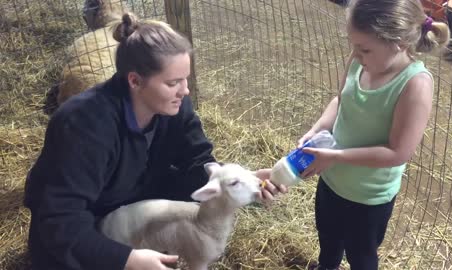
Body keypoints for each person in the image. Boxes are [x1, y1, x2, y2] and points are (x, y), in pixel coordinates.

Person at [24, 13, 286, 270]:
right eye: (173, 82)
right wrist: (126, 259)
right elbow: (60, 220)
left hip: (132, 201)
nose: (185, 91)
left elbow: (197, 159)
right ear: (135, 81)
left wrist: (238, 181)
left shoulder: (174, 105)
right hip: (79, 226)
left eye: (185, 79)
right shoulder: (83, 125)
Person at [298, 1, 450, 269]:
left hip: (368, 197)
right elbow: (340, 100)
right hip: (332, 179)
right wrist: (317, 129)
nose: (355, 54)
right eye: (354, 45)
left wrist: (334, 156)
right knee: (328, 239)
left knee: (361, 255)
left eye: (365, 48)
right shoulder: (359, 62)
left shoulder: (414, 84)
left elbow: (397, 152)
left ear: (400, 42)